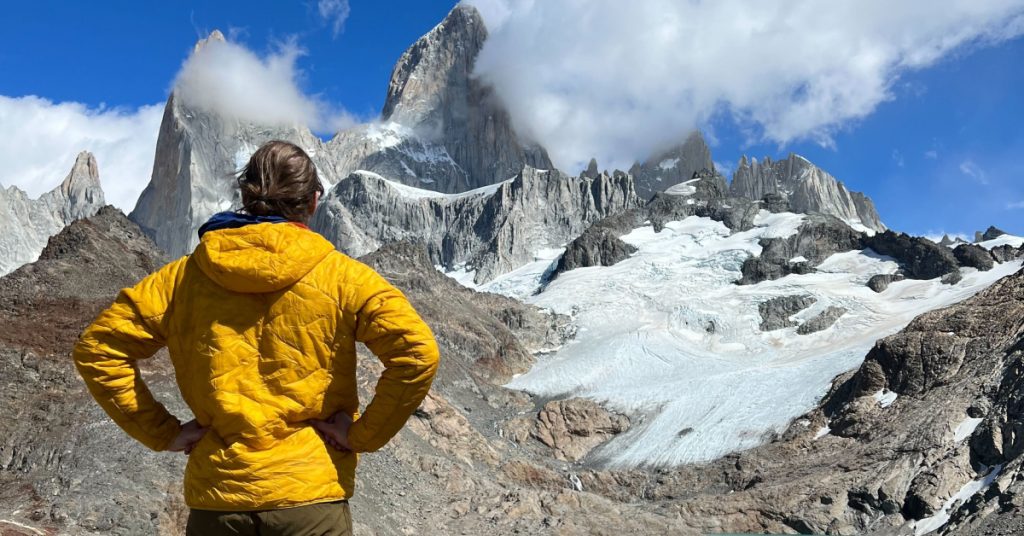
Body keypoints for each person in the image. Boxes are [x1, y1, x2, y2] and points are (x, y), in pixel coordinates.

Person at [73, 140, 440, 535]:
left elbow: (99, 349)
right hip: (310, 499)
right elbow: (417, 353)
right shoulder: (343, 277)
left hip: (219, 499)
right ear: (313, 201)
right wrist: (362, 436)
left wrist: (164, 433)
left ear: (246, 196)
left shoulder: (182, 280)